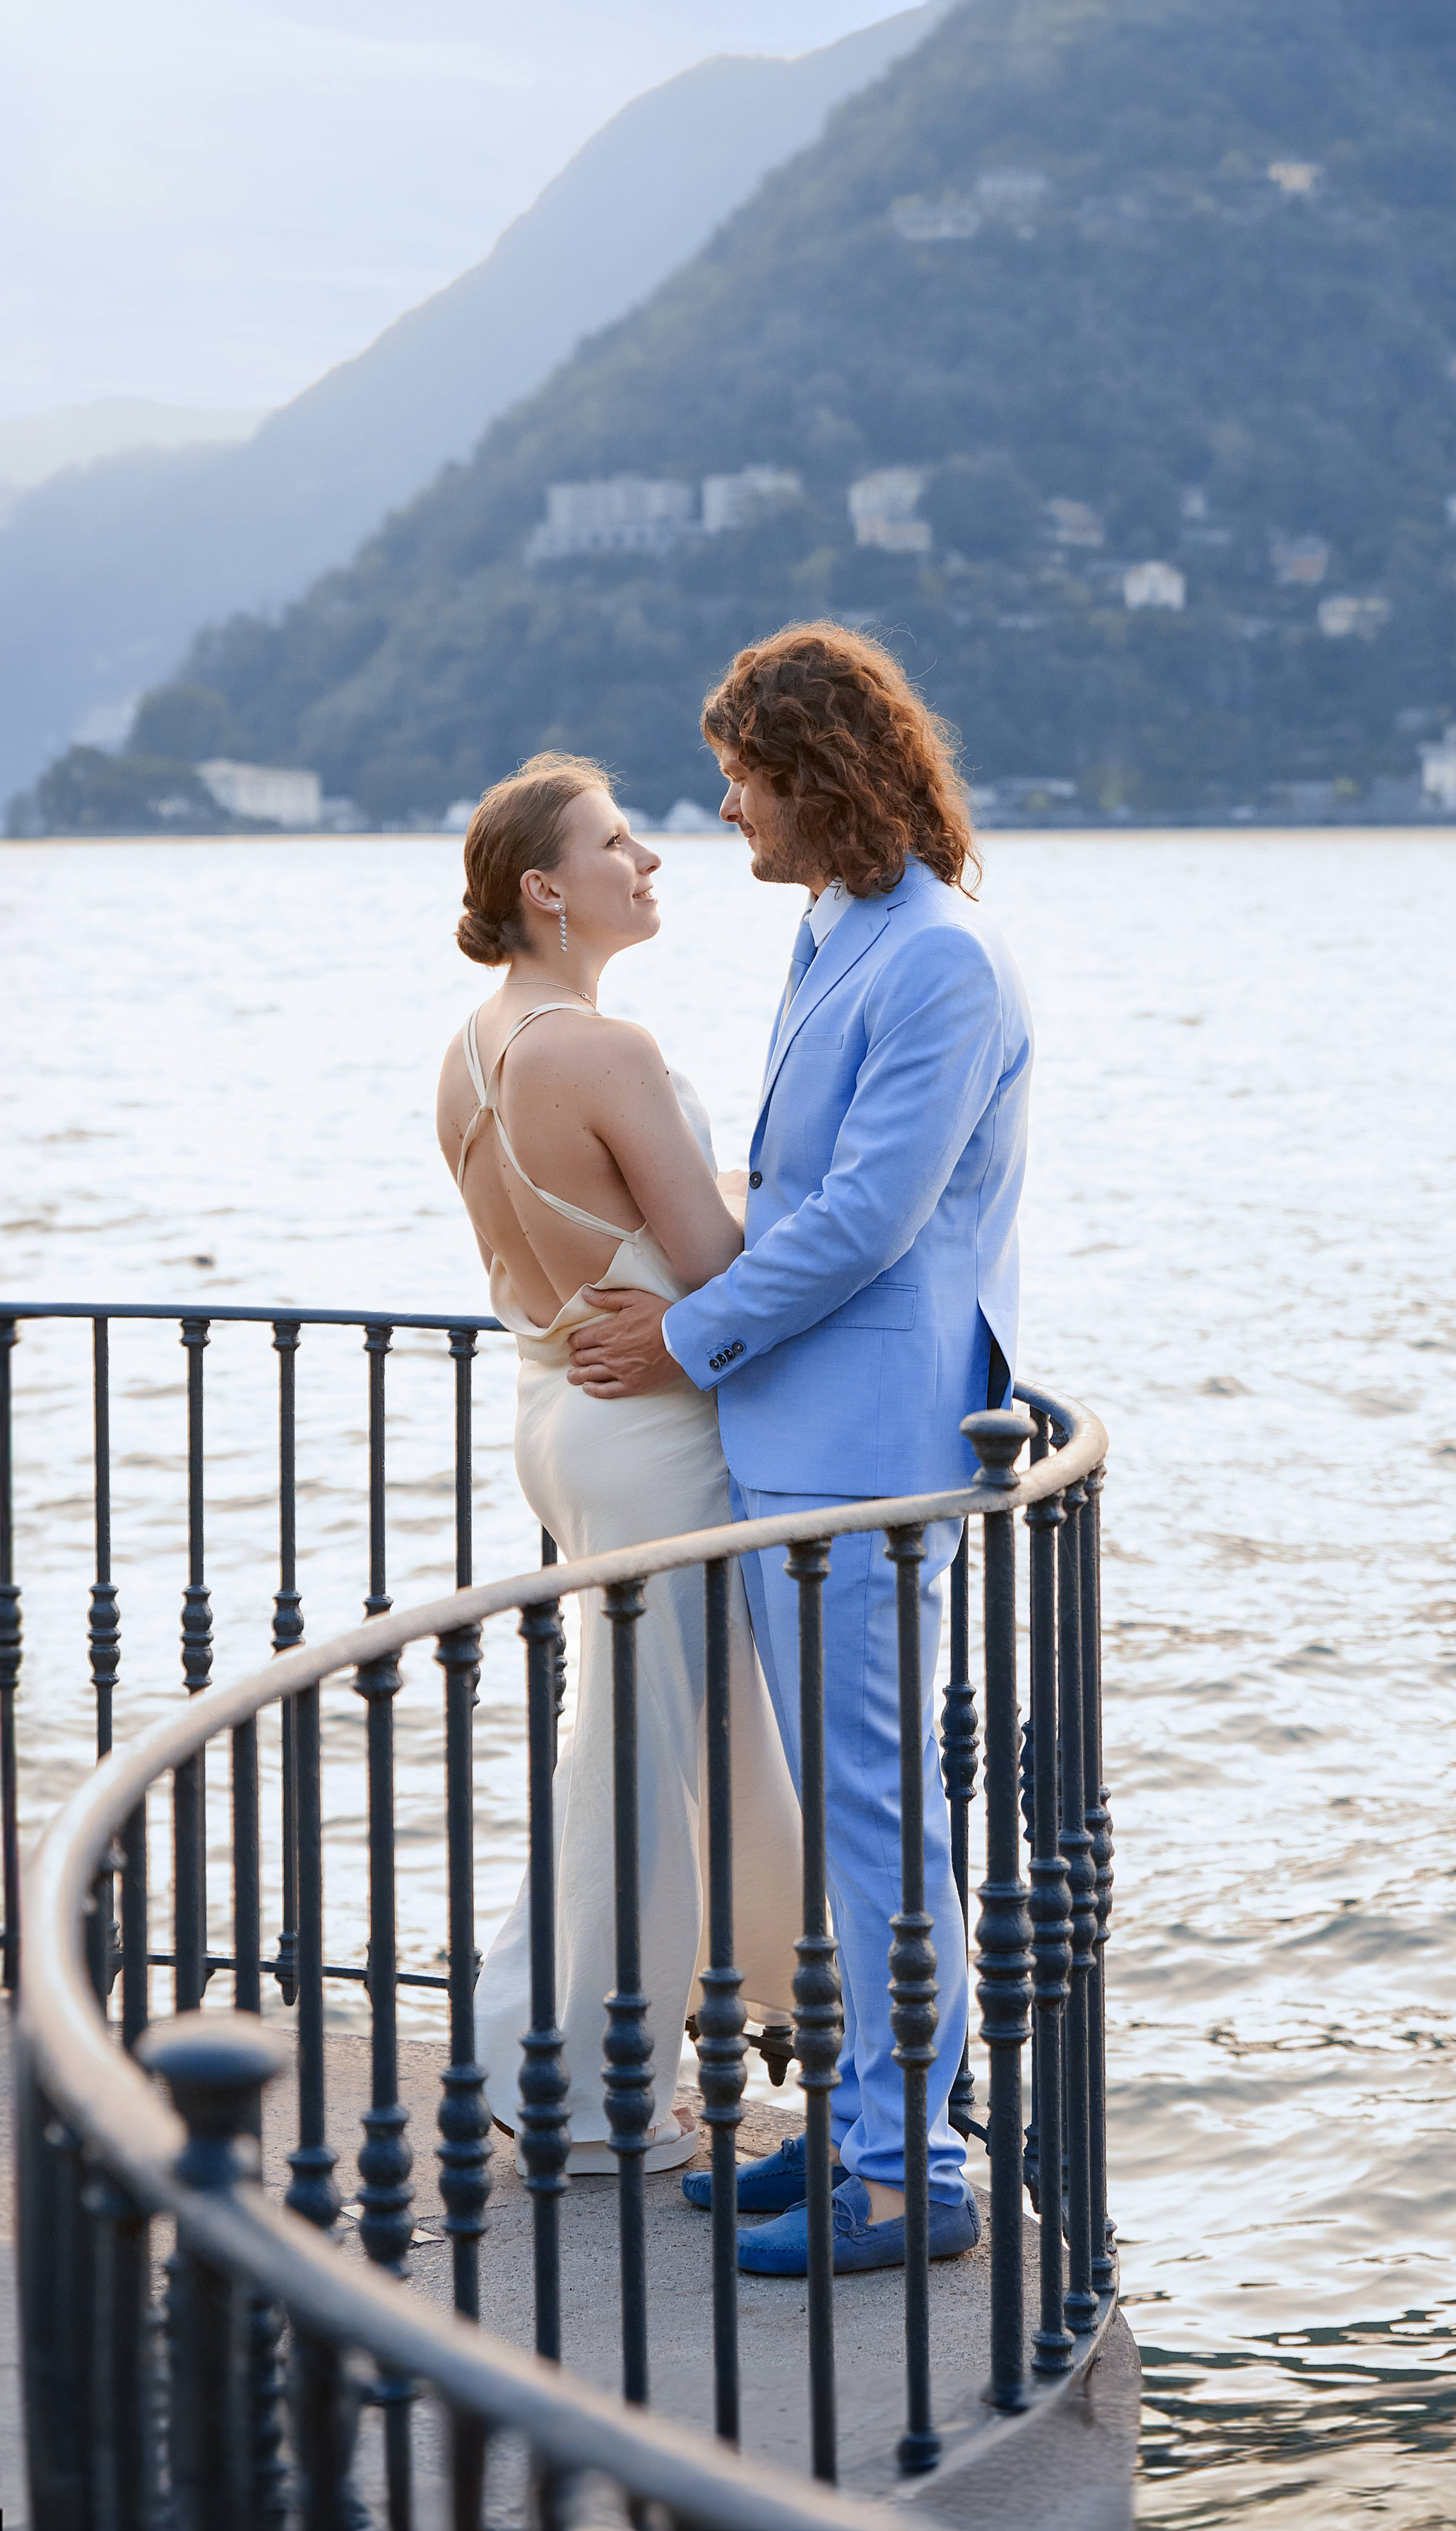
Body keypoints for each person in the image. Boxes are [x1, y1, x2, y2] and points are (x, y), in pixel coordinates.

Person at [567, 625, 1032, 2274]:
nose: (723, 810)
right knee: (846, 1804)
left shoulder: (941, 962)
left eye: (741, 778)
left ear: (814, 774)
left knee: (874, 1802)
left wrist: (685, 1334)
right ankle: (855, 2132)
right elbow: (792, 1179)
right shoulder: (838, 924)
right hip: (794, 1433)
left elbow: (864, 1217)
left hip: (867, 1442)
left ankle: (912, 2177)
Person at [436, 751, 801, 2176]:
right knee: (645, 1766)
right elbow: (712, 1269)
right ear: (545, 888)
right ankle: (577, 2096)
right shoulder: (607, 1050)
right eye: (614, 842)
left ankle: (560, 2063)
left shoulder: (478, 1044)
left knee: (626, 1748)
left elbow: (553, 1250)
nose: (647, 861)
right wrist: (812, 1199)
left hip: (560, 1411)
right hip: (647, 1428)